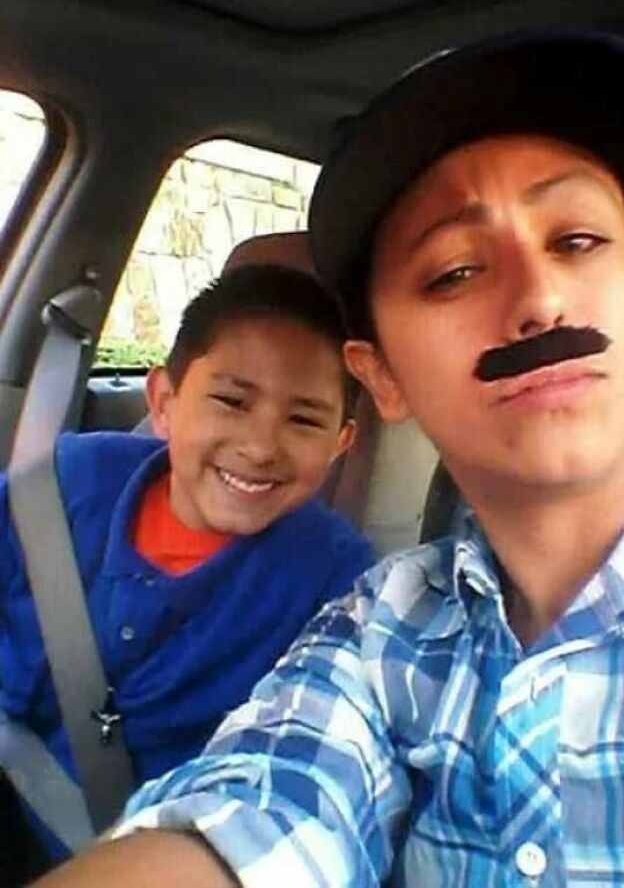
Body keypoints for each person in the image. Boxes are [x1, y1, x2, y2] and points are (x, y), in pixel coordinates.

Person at [35, 29, 624, 888]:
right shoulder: (382, 627)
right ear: (383, 377)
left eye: (575, 239)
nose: (539, 298)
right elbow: (264, 803)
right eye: (455, 270)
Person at [0, 259, 374, 861]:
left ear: (340, 444)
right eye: (230, 401)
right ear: (164, 400)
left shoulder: (337, 583)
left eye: (304, 419)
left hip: (132, 853)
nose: (258, 447)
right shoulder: (63, 483)